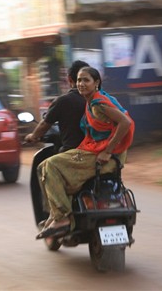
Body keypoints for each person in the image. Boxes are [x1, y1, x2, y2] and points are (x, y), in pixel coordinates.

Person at [36, 66, 135, 239]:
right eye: (80, 80)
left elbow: (125, 122)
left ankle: (62, 218)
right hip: (108, 155)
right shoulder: (93, 100)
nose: (81, 84)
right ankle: (57, 214)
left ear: (96, 83)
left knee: (49, 166)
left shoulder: (98, 104)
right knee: (46, 166)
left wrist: (107, 151)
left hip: (105, 157)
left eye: (86, 80)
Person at [24, 60, 89, 152]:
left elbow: (44, 124)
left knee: (45, 166)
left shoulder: (63, 100)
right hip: (98, 150)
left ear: (69, 79)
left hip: (73, 151)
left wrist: (33, 136)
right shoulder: (100, 98)